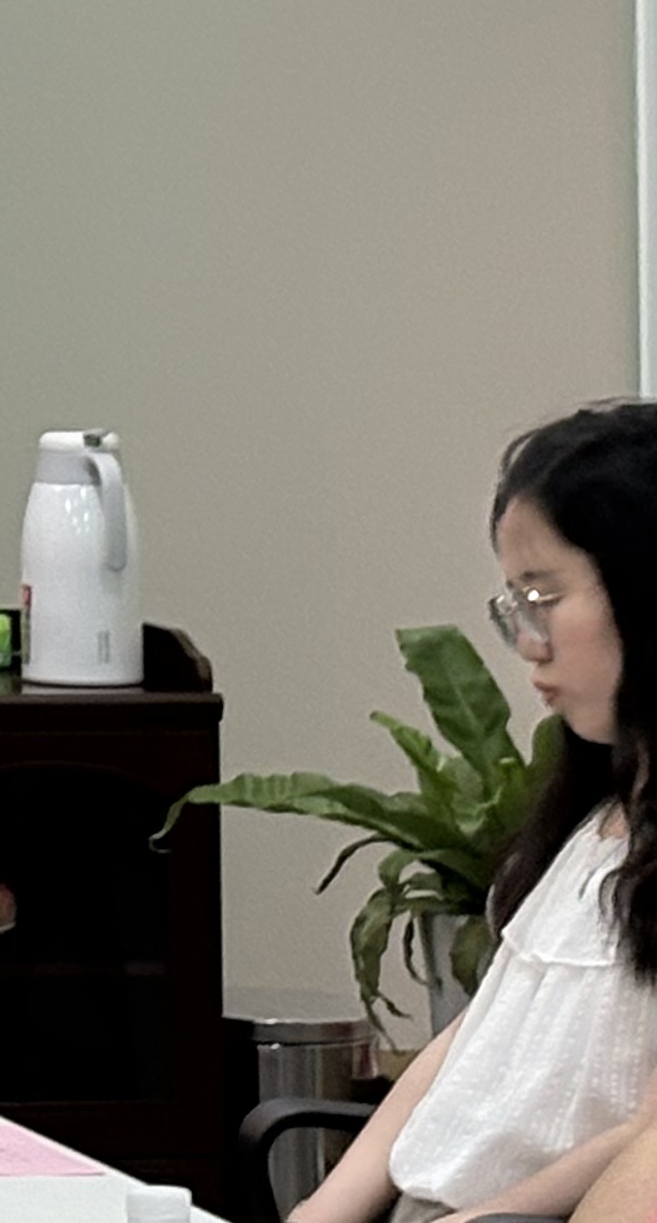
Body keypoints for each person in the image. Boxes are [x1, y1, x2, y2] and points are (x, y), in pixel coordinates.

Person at [295, 400, 657, 1223]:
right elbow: (474, 1043)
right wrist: (323, 1209)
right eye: (514, 605)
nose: (528, 640)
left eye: (544, 597)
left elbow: (644, 1138)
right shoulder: (594, 821)